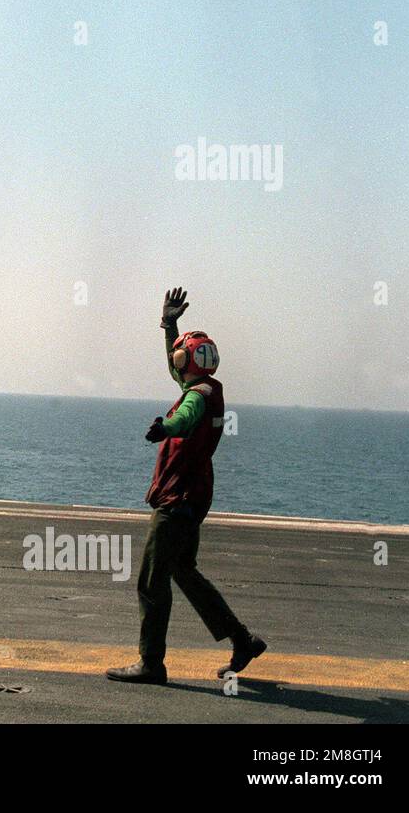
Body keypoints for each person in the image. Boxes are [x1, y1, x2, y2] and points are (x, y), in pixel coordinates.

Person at [106, 287, 266, 685]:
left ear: (186, 358)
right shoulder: (209, 388)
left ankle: (151, 663)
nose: (175, 358)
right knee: (184, 571)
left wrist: (165, 428)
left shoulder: (197, 397)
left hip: (178, 500)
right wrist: (169, 325)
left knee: (151, 579)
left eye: (178, 352)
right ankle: (242, 639)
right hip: (195, 495)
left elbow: (185, 418)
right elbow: (181, 380)